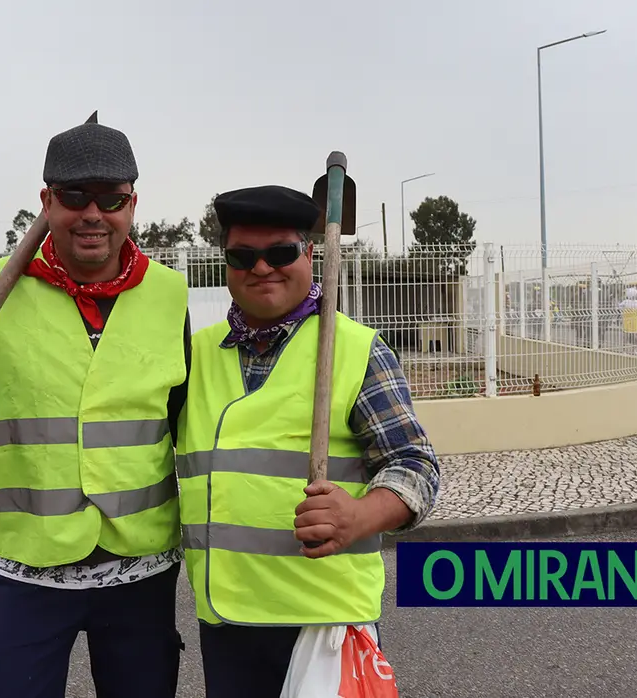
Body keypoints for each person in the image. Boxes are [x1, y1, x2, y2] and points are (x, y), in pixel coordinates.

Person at [0, 112, 191, 697]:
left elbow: (185, 422)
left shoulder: (168, 295)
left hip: (142, 569)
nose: (93, 214)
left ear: (133, 204)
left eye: (111, 199)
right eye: (74, 196)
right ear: (46, 201)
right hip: (30, 573)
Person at [174, 184, 441, 697]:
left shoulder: (357, 350)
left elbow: (416, 466)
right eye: (243, 255)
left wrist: (358, 517)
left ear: (310, 254)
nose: (262, 268)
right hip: (227, 624)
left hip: (326, 624)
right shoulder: (193, 356)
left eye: (280, 252)